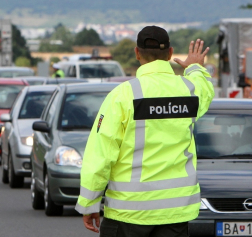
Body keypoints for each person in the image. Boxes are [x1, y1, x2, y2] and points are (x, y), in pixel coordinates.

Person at [75, 26, 215, 237]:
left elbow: (100, 154)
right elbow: (204, 90)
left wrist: (89, 203)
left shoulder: (122, 95)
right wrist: (194, 67)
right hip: (175, 213)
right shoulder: (188, 90)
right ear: (170, 53)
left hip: (128, 213)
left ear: (137, 53)